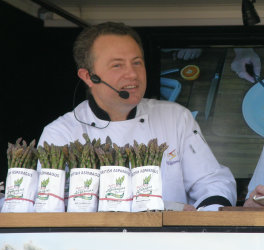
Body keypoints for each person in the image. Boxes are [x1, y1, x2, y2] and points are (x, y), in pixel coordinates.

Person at [37, 22, 236, 211]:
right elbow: (47, 208)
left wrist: (206, 214)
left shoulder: (175, 118)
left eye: (137, 63)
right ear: (88, 76)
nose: (132, 74)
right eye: (117, 65)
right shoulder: (60, 135)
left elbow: (212, 182)